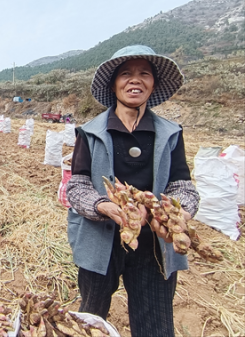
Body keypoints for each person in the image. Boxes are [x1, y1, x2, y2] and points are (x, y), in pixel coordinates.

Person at [65, 45, 200, 336]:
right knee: (89, 320)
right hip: (101, 240)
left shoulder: (170, 133)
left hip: (153, 243)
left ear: (153, 84)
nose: (134, 80)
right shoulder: (90, 132)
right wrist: (103, 206)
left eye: (144, 74)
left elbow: (182, 185)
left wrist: (177, 215)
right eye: (126, 74)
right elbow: (77, 185)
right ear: (114, 84)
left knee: (155, 326)